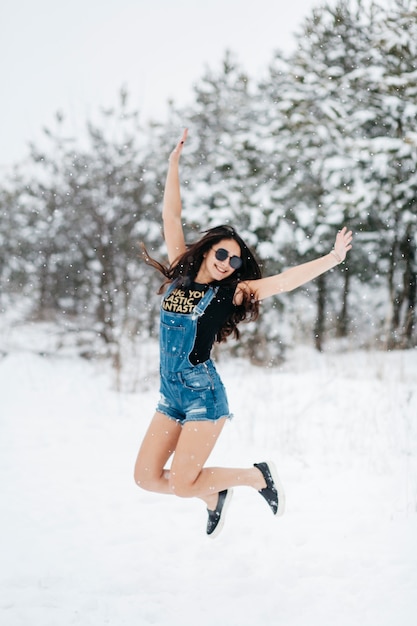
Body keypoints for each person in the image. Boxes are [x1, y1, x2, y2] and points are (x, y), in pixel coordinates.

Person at [134, 129, 353, 538]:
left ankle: (256, 476)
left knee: (182, 482)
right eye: (222, 253)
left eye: (234, 260)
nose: (228, 263)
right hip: (170, 393)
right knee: (146, 478)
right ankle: (214, 496)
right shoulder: (181, 269)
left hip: (202, 393)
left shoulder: (233, 292)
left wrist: (332, 258)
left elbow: (285, 281)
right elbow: (171, 217)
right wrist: (173, 163)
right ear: (207, 249)